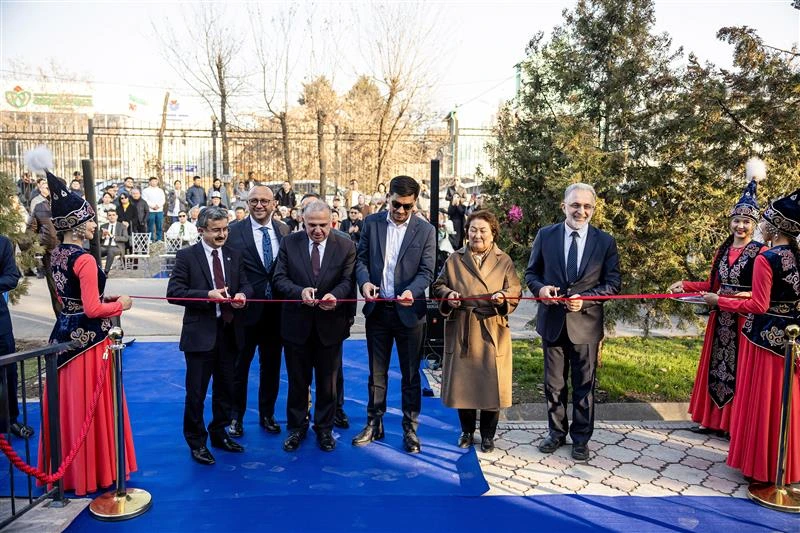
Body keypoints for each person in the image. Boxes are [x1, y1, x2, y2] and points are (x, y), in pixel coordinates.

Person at [31, 156, 137, 496]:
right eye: (90, 220)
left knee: (68, 408)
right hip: (90, 344)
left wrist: (105, 298)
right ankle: (97, 472)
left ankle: (69, 472)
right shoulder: (85, 259)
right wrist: (121, 305)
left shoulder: (57, 255)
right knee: (91, 408)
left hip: (63, 337)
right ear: (78, 225)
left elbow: (72, 300)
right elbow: (92, 308)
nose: (94, 225)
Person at [703, 188, 800, 484]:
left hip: (763, 340)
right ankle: (786, 468)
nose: (758, 227)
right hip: (791, 340)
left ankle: (760, 468)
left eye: (762, 222)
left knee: (764, 401)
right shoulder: (796, 257)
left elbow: (758, 305)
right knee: (787, 402)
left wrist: (720, 301)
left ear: (774, 227)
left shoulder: (765, 257)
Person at [525, 182, 621, 462]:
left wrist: (586, 299)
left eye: (587, 206)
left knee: (584, 386)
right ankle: (556, 433)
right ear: (564, 206)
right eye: (576, 205)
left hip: (586, 325)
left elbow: (613, 283)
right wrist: (541, 289)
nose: (581, 211)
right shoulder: (546, 235)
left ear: (594, 209)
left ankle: (581, 439)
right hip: (553, 323)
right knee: (554, 384)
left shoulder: (605, 242)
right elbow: (531, 274)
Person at [668, 163, 765, 435]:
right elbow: (713, 286)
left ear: (754, 225)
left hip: (744, 322)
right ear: (730, 222)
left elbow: (765, 290)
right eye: (737, 220)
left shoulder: (761, 252)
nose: (740, 226)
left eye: (746, 221)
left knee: (740, 372)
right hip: (720, 319)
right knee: (716, 368)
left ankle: (734, 426)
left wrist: (749, 294)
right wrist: (686, 285)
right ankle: (713, 422)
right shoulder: (722, 249)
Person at [352, 175, 436, 454]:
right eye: (396, 204)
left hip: (410, 312)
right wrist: (364, 282)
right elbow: (361, 259)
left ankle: (410, 428)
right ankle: (374, 423)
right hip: (378, 311)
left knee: (411, 375)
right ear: (388, 198)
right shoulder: (372, 223)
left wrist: (412, 290)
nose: (400, 211)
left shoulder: (425, 231)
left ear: (415, 203)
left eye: (407, 206)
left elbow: (427, 271)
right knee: (377, 374)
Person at [166, 206, 252, 465]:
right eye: (216, 230)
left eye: (225, 229)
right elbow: (174, 292)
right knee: (196, 393)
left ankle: (219, 433)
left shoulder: (234, 254)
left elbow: (246, 284)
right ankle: (196, 442)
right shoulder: (187, 256)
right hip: (200, 335)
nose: (222, 234)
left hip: (230, 332)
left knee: (226, 388)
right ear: (201, 230)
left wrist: (242, 295)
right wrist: (207, 296)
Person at [432, 210, 521, 452]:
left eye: (483, 230)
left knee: (492, 385)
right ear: (466, 232)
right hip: (463, 326)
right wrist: (449, 295)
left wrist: (503, 297)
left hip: (492, 328)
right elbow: (438, 285)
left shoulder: (504, 260)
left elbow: (515, 289)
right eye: (473, 230)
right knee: (465, 385)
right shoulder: (455, 259)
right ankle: (467, 431)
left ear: (493, 234)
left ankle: (488, 435)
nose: (477, 235)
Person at [272, 200, 356, 452]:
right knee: (298, 382)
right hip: (296, 325)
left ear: (332, 222)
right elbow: (279, 279)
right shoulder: (289, 243)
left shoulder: (345, 245)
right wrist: (300, 292)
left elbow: (348, 281)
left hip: (330, 326)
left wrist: (335, 296)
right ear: (302, 221)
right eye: (312, 225)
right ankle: (296, 428)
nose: (317, 230)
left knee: (327, 383)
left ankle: (324, 429)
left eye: (323, 225)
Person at [226, 185, 289, 438]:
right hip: (244, 312)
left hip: (276, 313)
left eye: (264, 200)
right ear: (247, 203)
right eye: (254, 201)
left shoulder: (284, 231)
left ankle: (267, 414)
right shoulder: (233, 232)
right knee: (239, 367)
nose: (259, 205)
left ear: (274, 204)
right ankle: (235, 417)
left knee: (271, 367)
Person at [0, 235, 34, 439]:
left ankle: (10, 419)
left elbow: (12, 276)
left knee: (8, 372)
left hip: (0, 323)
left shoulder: (3, 243)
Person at [26, 185, 61, 316]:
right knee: (55, 289)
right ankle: (61, 320)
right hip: (50, 252)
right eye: (48, 187)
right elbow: (31, 229)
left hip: (71, 252)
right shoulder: (40, 206)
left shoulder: (70, 205)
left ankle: (75, 320)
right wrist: (40, 241)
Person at [99, 208, 129, 274]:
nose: (111, 217)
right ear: (107, 217)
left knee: (111, 250)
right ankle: (97, 270)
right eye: (109, 215)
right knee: (96, 251)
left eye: (113, 215)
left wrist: (112, 236)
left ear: (116, 216)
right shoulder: (103, 226)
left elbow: (125, 238)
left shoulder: (122, 226)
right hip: (104, 246)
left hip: (117, 247)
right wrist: (103, 236)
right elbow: (98, 239)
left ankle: (106, 272)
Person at [142, 177, 166, 241]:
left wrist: (158, 206)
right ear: (149, 182)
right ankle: (150, 239)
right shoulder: (145, 190)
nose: (154, 182)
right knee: (150, 226)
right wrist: (153, 206)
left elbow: (163, 200)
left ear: (157, 182)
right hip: (150, 211)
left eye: (155, 181)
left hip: (159, 210)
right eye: (152, 181)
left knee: (159, 226)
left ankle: (159, 239)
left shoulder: (160, 190)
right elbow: (145, 200)